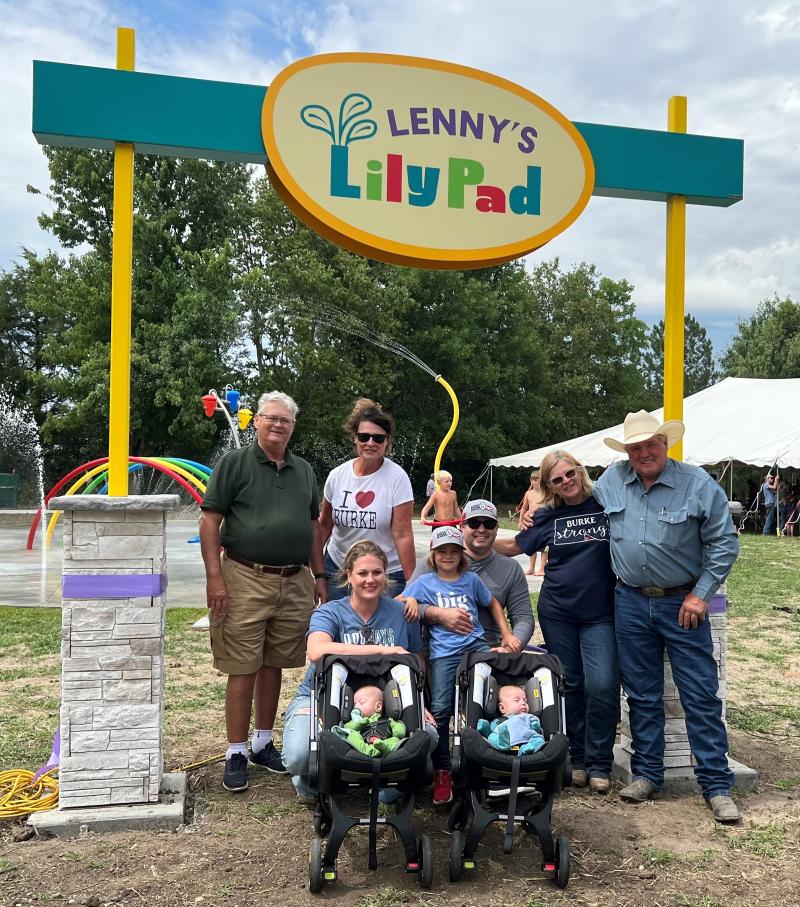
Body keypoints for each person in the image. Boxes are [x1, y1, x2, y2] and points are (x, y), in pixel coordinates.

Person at [594, 409, 740, 823]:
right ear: (627, 451)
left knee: (699, 693)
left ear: (666, 444)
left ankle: (716, 784)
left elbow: (724, 544)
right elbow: (578, 509)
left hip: (683, 604)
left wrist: (701, 595)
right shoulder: (610, 482)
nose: (643, 453)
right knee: (641, 693)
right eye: (635, 447)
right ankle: (647, 775)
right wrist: (540, 515)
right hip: (630, 601)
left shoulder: (697, 485)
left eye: (650, 445)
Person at [200, 391, 328, 793]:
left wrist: (319, 575)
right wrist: (214, 578)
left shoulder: (304, 470)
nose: (277, 425)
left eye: (285, 421)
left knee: (274, 661)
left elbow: (311, 528)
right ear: (256, 421)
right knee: (242, 664)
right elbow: (209, 522)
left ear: (293, 427)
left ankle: (262, 741)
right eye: (270, 418)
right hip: (244, 575)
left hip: (293, 579)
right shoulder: (234, 464)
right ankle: (235, 751)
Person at [494, 452, 618, 793]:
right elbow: (516, 546)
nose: (566, 482)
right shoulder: (547, 515)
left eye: (569, 473)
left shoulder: (606, 503)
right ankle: (576, 759)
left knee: (603, 685)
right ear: (548, 485)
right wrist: (474, 537)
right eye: (556, 479)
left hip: (600, 612)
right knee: (573, 683)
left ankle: (600, 762)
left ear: (580, 471)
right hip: (558, 610)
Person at [281, 540, 436, 803]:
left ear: (386, 575)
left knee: (428, 737)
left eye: (377, 572)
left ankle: (385, 783)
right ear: (348, 576)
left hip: (382, 703)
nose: (370, 580)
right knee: (299, 756)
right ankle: (310, 780)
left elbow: (416, 661)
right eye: (362, 573)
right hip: (323, 697)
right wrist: (382, 650)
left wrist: (419, 702)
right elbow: (317, 651)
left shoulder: (401, 613)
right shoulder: (331, 612)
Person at [402, 526, 520, 805]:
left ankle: (490, 760)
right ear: (433, 554)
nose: (448, 556)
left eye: (454, 551)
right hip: (444, 654)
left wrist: (506, 634)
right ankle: (442, 770)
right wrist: (410, 600)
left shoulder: (470, 580)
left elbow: (492, 603)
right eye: (442, 551)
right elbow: (400, 602)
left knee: (489, 698)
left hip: (475, 646)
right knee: (442, 709)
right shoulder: (425, 582)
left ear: (461, 554)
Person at [319, 399, 415, 600]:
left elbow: (403, 534)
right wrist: (317, 573)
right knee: (339, 627)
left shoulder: (397, 478)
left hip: (384, 573)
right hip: (339, 569)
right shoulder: (337, 476)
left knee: (382, 629)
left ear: (387, 441)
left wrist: (413, 585)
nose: (370, 443)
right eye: (364, 436)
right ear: (355, 438)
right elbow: (324, 525)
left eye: (378, 438)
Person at [412, 499, 535, 650]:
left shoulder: (510, 568)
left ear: (497, 528)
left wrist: (511, 647)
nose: (482, 529)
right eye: (474, 523)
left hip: (488, 650)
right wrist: (438, 614)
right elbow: (404, 604)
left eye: (489, 524)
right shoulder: (433, 563)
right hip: (438, 652)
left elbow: (523, 617)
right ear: (461, 527)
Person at [331, 685, 407, 756]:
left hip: (383, 741)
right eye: (354, 704)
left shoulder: (389, 720)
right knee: (352, 736)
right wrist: (358, 724)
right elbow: (346, 726)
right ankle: (367, 750)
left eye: (362, 702)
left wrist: (397, 729)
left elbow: (400, 733)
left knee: (395, 740)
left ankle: (383, 748)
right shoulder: (357, 720)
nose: (356, 707)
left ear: (378, 706)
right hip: (363, 743)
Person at [477, 684, 545, 754]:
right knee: (493, 737)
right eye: (517, 700)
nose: (523, 703)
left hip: (523, 744)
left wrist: (535, 725)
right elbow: (493, 732)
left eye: (525, 701)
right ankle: (491, 735)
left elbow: (537, 731)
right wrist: (489, 732)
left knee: (539, 739)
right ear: (502, 708)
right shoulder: (499, 721)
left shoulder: (529, 717)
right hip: (510, 746)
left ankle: (526, 750)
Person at [519, 470, 547, 575]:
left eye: (539, 480)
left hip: (544, 521)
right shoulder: (528, 493)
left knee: (545, 547)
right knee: (532, 545)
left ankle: (542, 568)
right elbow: (524, 508)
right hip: (531, 522)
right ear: (531, 481)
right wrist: (521, 521)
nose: (537, 482)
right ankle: (531, 567)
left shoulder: (546, 492)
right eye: (534, 480)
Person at [762, 469, 779, 535]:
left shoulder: (768, 486)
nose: (772, 479)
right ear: (767, 479)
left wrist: (777, 482)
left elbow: (775, 491)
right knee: (769, 518)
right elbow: (774, 487)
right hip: (770, 503)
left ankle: (767, 531)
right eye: (771, 478)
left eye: (772, 478)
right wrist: (776, 479)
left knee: (770, 518)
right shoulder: (766, 484)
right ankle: (765, 532)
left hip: (770, 503)